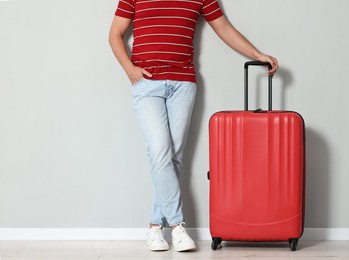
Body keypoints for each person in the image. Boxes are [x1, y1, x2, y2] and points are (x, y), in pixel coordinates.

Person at [108, 0, 279, 252]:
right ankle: (178, 226)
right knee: (160, 150)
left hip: (183, 84)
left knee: (173, 157)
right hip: (147, 82)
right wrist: (129, 70)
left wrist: (257, 55)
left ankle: (155, 227)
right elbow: (115, 34)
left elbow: (224, 28)